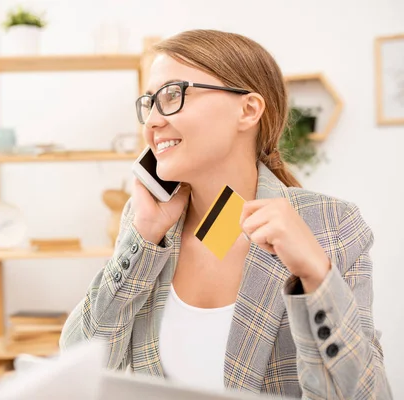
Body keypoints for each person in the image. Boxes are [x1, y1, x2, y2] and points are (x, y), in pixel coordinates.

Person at [59, 29, 392, 399]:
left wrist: (316, 275)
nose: (152, 121)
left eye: (172, 95)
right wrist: (143, 238)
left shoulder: (332, 225)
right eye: (149, 102)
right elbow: (76, 368)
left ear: (247, 110)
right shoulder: (149, 226)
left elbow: (368, 395)